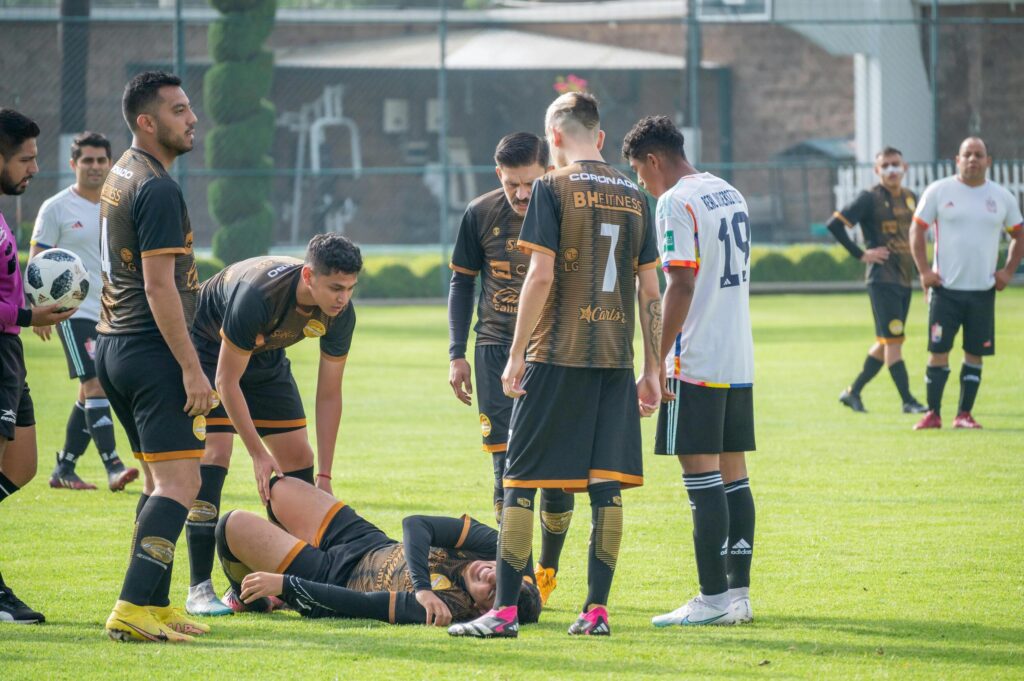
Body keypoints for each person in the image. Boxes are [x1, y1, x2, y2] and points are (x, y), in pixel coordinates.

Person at [449, 92, 662, 639]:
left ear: (556, 139)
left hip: (554, 355)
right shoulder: (637, 196)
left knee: (519, 479)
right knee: (605, 485)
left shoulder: (550, 187)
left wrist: (516, 352)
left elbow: (539, 276)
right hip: (615, 361)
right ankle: (595, 611)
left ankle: (503, 613)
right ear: (602, 136)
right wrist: (654, 368)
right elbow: (650, 290)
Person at [97, 71, 218, 643]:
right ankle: (128, 607)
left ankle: (157, 603)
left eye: (189, 107)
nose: (191, 118)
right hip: (152, 351)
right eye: (178, 110)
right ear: (148, 122)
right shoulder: (159, 187)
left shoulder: (122, 172)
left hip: (116, 346)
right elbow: (159, 286)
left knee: (155, 481)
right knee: (180, 485)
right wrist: (192, 368)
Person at [182, 233, 361, 616]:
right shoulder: (258, 296)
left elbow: (329, 393)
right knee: (217, 451)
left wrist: (325, 476)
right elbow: (225, 382)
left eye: (349, 288)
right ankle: (199, 588)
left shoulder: (341, 314)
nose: (342, 298)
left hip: (266, 353)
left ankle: (281, 579)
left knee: (299, 455)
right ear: (309, 276)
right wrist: (257, 454)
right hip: (209, 347)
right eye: (334, 288)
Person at [622, 115, 756, 626]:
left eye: (638, 171)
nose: (640, 181)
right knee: (734, 474)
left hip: (694, 357)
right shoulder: (728, 191)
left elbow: (679, 283)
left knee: (700, 475)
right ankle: (738, 595)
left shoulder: (674, 201)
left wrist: (655, 361)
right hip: (736, 354)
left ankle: (712, 598)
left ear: (654, 160)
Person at [447, 131, 571, 606]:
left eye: (530, 183)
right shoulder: (480, 213)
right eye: (512, 184)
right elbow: (462, 284)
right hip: (496, 349)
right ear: (498, 174)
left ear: (548, 169)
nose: (521, 194)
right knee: (506, 465)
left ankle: (548, 569)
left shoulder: (565, 208)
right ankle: (512, 573)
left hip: (554, 350)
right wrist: (457, 352)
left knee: (558, 468)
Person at [214, 477, 541, 626]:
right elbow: (416, 525)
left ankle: (252, 598)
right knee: (278, 489)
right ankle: (279, 567)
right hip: (365, 540)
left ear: (482, 611)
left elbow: (363, 604)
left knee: (231, 524)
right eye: (503, 577)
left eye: (491, 592)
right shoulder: (494, 547)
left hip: (333, 576)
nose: (490, 576)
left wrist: (287, 585)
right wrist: (423, 588)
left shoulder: (448, 608)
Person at [29, 131, 139, 491]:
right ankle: (113, 466)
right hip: (71, 313)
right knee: (95, 384)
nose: (95, 166)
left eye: (101, 160)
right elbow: (37, 260)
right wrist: (38, 307)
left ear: (110, 164)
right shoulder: (56, 207)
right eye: (87, 160)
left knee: (91, 389)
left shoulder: (117, 205)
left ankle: (65, 468)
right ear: (73, 164)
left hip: (112, 312)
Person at [0, 109, 77, 624]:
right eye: (25, 159)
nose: (33, 168)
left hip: (9, 353)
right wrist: (30, 313)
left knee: (21, 466)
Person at [909, 136, 1023, 430]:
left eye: (979, 155)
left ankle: (964, 415)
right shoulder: (939, 191)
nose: (973, 159)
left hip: (982, 291)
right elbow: (917, 229)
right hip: (945, 290)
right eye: (967, 154)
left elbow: (1019, 235)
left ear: (988, 161)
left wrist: (1008, 271)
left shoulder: (1001, 197)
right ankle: (932, 414)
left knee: (975, 353)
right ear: (957, 160)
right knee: (938, 351)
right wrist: (923, 270)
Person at [827, 147, 927, 415]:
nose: (892, 170)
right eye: (886, 165)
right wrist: (861, 254)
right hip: (883, 280)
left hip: (905, 279)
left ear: (904, 167)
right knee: (894, 342)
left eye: (896, 164)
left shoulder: (911, 198)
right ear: (877, 170)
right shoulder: (868, 198)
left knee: (887, 342)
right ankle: (908, 401)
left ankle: (853, 392)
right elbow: (834, 225)